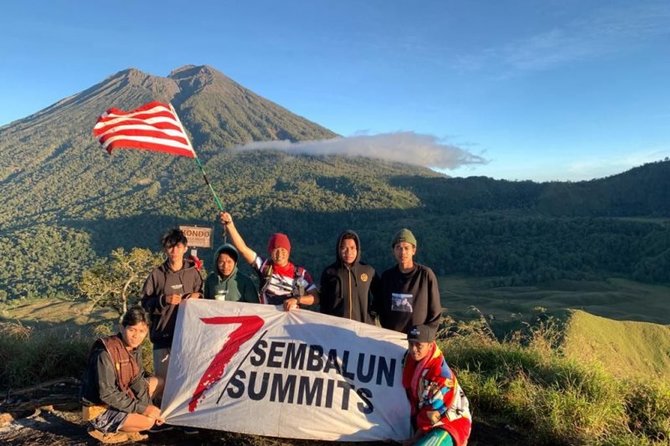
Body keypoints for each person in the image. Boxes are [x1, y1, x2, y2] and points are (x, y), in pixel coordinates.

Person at [81, 306, 164, 444]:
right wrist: (144, 410)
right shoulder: (105, 353)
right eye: (132, 330)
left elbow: (137, 380)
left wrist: (147, 407)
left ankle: (131, 426)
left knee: (158, 381)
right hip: (100, 409)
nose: (136, 336)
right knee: (149, 422)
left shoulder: (134, 349)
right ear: (122, 328)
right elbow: (107, 394)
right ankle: (103, 430)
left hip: (121, 396)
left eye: (142, 331)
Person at [219, 212, 318, 311]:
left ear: (288, 251)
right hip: (269, 321)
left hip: (291, 323)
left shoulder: (301, 273)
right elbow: (243, 249)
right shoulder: (264, 266)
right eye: (276, 250)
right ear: (270, 251)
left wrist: (297, 300)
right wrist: (230, 225)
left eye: (283, 250)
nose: (280, 254)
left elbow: (315, 298)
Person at [141, 228, 203, 383]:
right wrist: (164, 300)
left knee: (185, 383)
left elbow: (203, 297)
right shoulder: (157, 274)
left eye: (178, 246)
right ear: (165, 249)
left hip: (187, 338)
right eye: (170, 246)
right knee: (162, 383)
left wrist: (198, 296)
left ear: (185, 248)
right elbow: (144, 303)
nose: (174, 250)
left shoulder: (193, 273)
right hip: (162, 337)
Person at [402, 324, 472, 446]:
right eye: (411, 344)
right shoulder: (409, 359)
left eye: (419, 345)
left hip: (449, 423)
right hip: (423, 419)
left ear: (430, 345)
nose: (413, 349)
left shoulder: (441, 376)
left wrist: (415, 438)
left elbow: (433, 414)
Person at [374, 228, 442, 334]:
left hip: (418, 340)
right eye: (398, 248)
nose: (402, 252)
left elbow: (435, 312)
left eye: (406, 248)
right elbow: (380, 308)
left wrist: (426, 335)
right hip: (391, 339)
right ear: (394, 251)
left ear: (414, 250)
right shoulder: (387, 277)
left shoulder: (425, 275)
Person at [319, 230, 380, 323]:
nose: (348, 252)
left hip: (363, 329)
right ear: (338, 249)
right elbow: (323, 302)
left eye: (352, 248)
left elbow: (380, 295)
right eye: (344, 248)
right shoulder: (330, 272)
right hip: (336, 329)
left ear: (358, 249)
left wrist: (372, 315)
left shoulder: (368, 271)